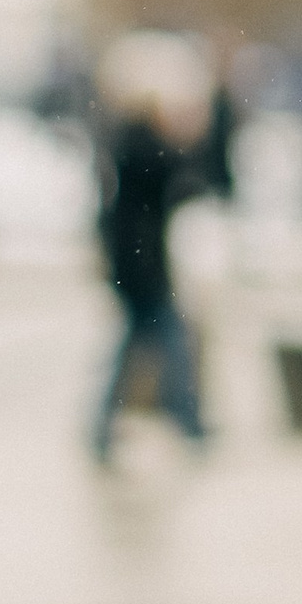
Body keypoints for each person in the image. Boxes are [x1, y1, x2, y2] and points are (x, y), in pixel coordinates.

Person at [90, 32, 215, 465]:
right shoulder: (141, 140)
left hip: (137, 263)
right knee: (169, 340)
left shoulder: (129, 138)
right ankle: (186, 420)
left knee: (136, 344)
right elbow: (180, 180)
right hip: (142, 265)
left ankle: (111, 426)